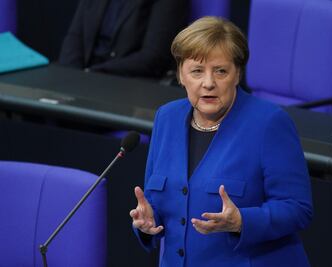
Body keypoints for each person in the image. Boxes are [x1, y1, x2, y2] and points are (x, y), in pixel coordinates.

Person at [129, 16, 313, 266]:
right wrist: (148, 221)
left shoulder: (269, 123)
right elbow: (160, 202)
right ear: (181, 75)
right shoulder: (167, 118)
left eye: (221, 71)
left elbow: (298, 208)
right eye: (196, 71)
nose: (208, 83)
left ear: (237, 74)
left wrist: (241, 221)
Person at [58, 0, 188, 78]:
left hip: (125, 80)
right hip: (82, 75)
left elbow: (153, 57)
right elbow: (75, 36)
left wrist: (92, 74)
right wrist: (71, 74)